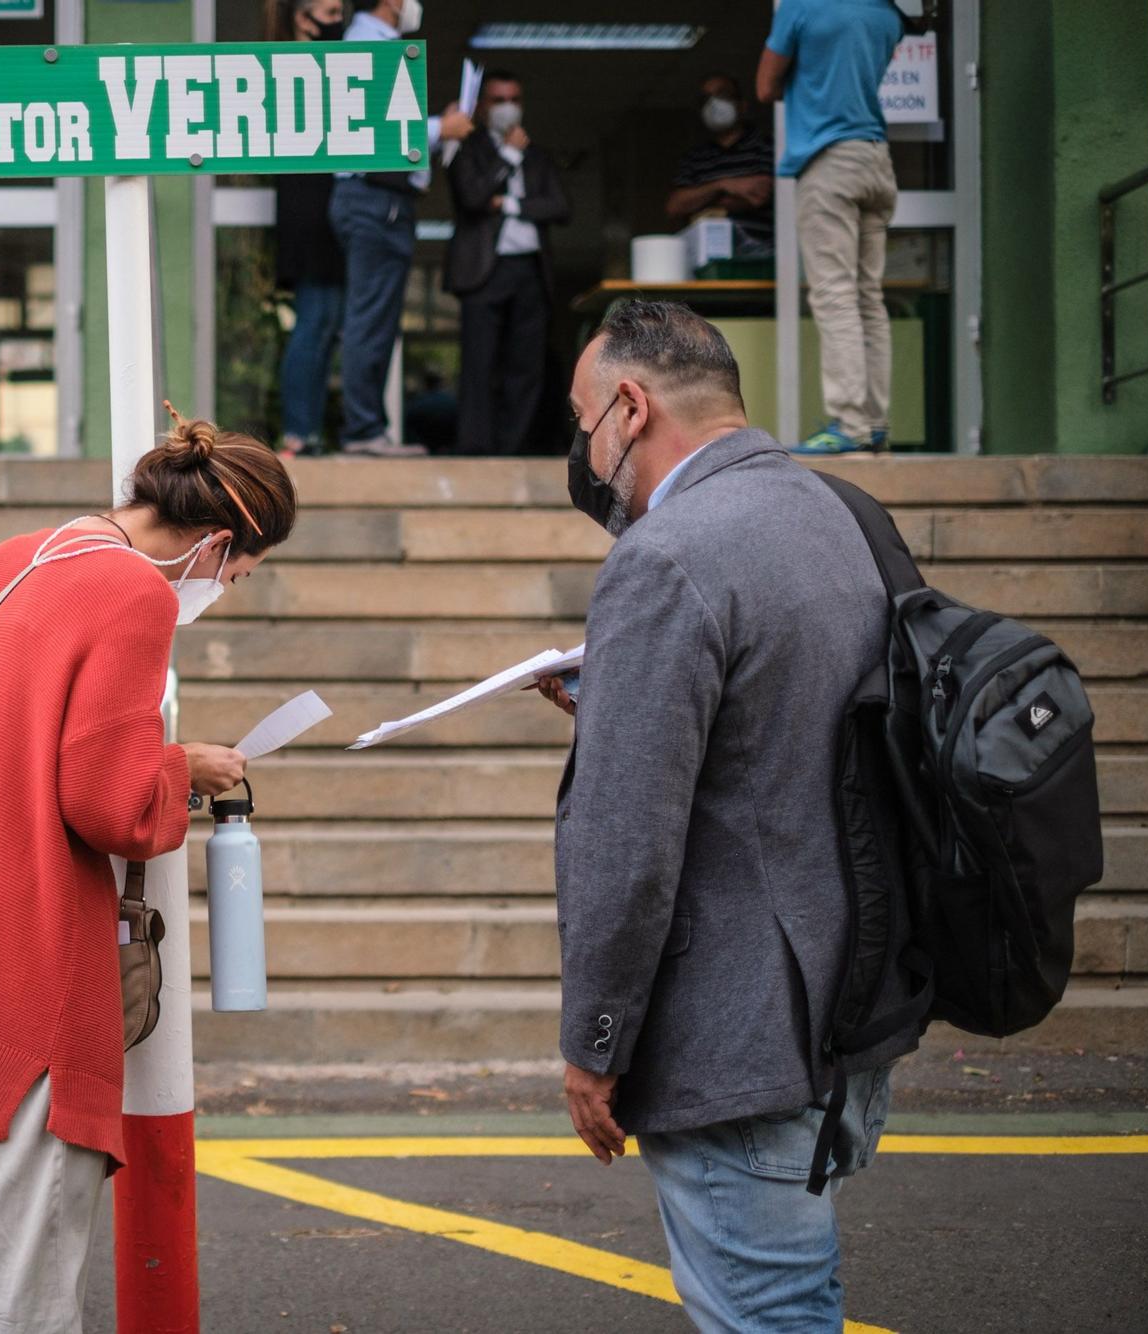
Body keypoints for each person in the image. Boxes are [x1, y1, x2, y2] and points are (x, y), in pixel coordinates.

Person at [0, 411, 298, 1332]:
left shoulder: (4, 560)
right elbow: (110, 803)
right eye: (237, 574)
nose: (225, 589)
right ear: (216, 542)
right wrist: (189, 769)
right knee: (33, 1267)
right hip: (28, 941)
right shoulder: (135, 595)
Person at [539, 300, 923, 1331]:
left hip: (739, 1035)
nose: (586, 453)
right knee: (794, 1298)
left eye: (584, 425)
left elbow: (626, 847)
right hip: (852, 1008)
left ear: (629, 405)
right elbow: (798, 715)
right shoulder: (838, 510)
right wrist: (622, 693)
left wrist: (595, 1042)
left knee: (766, 1315)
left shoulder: (665, 556)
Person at [758, 0, 909, 454]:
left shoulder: (801, 7)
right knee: (868, 296)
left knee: (835, 293)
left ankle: (849, 422)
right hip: (876, 158)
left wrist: (804, 80)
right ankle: (875, 421)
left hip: (829, 161)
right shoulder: (887, 14)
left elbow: (765, 86)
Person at [330, 0, 475, 457]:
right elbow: (371, 124)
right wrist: (440, 127)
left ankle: (367, 428)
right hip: (374, 198)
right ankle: (363, 431)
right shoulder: (364, 45)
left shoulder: (382, 46)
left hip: (382, 199)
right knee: (369, 318)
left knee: (375, 317)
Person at [443, 68, 569, 456]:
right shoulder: (466, 147)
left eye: (514, 99)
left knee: (526, 365)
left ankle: (515, 448)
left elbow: (560, 206)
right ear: (482, 107)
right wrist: (509, 155)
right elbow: (473, 198)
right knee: (480, 363)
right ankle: (477, 449)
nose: (508, 108)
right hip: (484, 271)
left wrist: (511, 204)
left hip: (530, 269)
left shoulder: (537, 153)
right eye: (499, 100)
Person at [273, 0, 347, 459]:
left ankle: (308, 430)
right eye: (330, 12)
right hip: (308, 217)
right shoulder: (288, 72)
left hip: (328, 218)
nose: (337, 22)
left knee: (325, 328)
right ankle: (298, 432)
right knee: (313, 323)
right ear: (303, 18)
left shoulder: (328, 70)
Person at [666, 73, 777, 261]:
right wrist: (724, 185)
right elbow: (675, 206)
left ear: (742, 105)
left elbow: (759, 196)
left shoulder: (767, 147)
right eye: (706, 99)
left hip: (760, 259)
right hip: (706, 260)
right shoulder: (696, 158)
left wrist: (703, 202)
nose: (713, 103)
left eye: (722, 95)